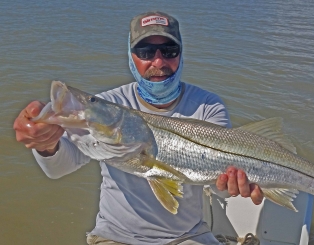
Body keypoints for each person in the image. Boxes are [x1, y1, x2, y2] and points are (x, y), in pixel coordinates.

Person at [13, 11, 264, 245]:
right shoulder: (113, 104)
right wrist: (46, 144)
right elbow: (60, 167)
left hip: (188, 236)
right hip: (116, 237)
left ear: (181, 54)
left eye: (169, 50)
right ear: (131, 57)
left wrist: (231, 186)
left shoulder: (208, 106)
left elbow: (216, 188)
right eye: (145, 51)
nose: (158, 60)